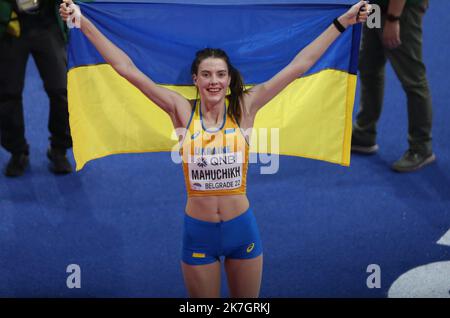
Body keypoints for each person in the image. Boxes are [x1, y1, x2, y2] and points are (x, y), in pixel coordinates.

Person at [60, 0, 370, 297]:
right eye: (206, 74)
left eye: (221, 74)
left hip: (243, 230)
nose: (214, 81)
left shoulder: (246, 109)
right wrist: (81, 22)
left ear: (230, 80)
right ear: (195, 79)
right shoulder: (180, 110)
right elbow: (125, 67)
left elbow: (299, 65)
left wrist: (343, 22)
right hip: (198, 233)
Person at [351, 0, 434, 172]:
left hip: (399, 12)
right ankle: (364, 133)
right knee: (369, 67)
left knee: (413, 79)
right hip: (374, 8)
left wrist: (393, 19)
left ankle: (421, 146)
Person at [0, 0, 73, 177]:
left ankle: (59, 148)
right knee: (8, 93)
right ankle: (17, 151)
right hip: (11, 25)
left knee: (62, 90)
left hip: (47, 23)